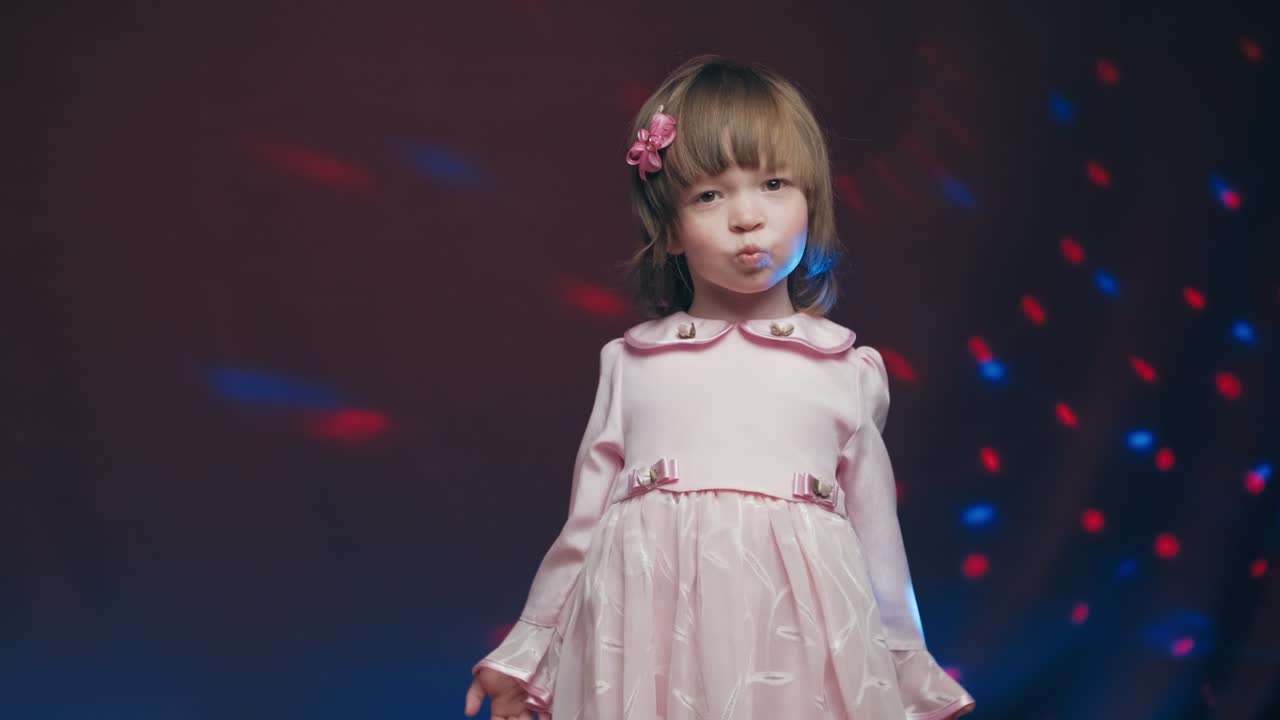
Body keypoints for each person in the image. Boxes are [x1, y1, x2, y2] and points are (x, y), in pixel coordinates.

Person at [464, 55, 977, 720]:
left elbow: (879, 544)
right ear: (670, 229)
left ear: (811, 201)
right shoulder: (633, 363)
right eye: (709, 194)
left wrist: (908, 671)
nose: (746, 217)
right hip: (647, 645)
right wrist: (524, 659)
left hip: (797, 653)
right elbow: (583, 527)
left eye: (773, 184)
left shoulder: (847, 370)